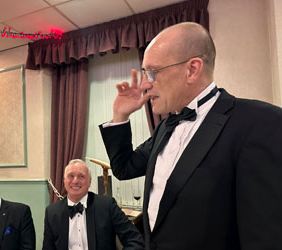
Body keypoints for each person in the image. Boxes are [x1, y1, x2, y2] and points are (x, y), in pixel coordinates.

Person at [99, 22, 282, 250]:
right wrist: (119, 116)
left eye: (152, 72)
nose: (145, 84)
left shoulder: (259, 122)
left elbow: (266, 237)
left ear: (192, 69)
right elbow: (124, 168)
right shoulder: (165, 128)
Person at [42, 159, 144, 250]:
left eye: (81, 176)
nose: (75, 181)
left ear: (89, 182)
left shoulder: (107, 206)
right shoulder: (52, 212)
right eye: (71, 176)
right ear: (64, 181)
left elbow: (135, 240)